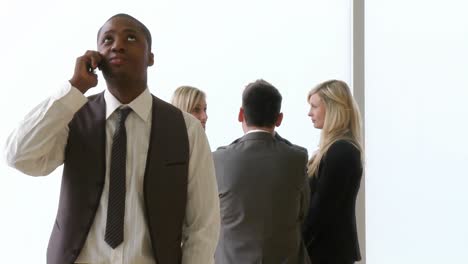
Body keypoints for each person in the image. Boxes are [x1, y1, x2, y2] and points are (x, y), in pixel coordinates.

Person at [4, 13, 220, 264]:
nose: (117, 45)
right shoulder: (73, 116)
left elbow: (202, 226)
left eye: (130, 37)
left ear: (150, 57)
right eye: (107, 40)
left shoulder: (187, 129)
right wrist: (74, 88)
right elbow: (19, 156)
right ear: (96, 57)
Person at [213, 79, 311, 264]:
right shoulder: (296, 159)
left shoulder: (218, 160)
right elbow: (303, 211)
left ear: (241, 114)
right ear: (279, 119)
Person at [302, 79, 363, 264]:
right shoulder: (336, 149)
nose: (309, 113)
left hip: (329, 254)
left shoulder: (341, 150)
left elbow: (322, 209)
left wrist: (295, 243)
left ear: (332, 108)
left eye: (314, 106)